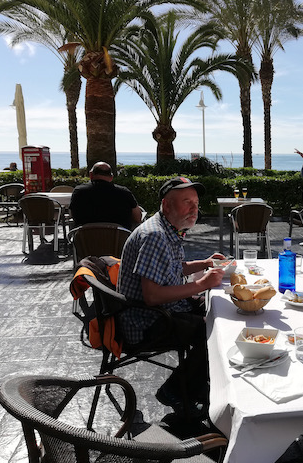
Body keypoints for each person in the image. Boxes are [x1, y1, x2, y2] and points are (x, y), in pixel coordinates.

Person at [116, 176, 227, 421]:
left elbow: (173, 268)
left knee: (220, 308)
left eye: (196, 203)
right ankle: (175, 390)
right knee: (213, 331)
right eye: (187, 202)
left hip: (165, 308)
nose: (194, 209)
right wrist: (201, 284)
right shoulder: (155, 236)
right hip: (146, 321)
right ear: (167, 205)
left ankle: (196, 383)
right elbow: (152, 296)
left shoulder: (168, 229)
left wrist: (204, 263)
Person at [70, 161, 142, 230]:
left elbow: (72, 214)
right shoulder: (124, 192)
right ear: (111, 177)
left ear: (91, 175)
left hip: (85, 238)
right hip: (120, 238)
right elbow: (137, 218)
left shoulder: (79, 191)